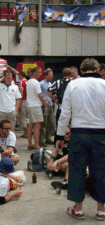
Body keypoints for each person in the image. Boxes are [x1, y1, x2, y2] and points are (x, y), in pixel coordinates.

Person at [56, 58, 105, 221]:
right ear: (97, 69)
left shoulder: (73, 85)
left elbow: (65, 113)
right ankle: (101, 210)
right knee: (101, 171)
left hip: (79, 133)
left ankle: (78, 209)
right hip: (101, 134)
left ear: (81, 70)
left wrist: (60, 135)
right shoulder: (104, 85)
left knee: (77, 170)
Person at [47, 68, 72, 145]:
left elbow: (48, 90)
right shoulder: (74, 82)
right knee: (71, 126)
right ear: (71, 74)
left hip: (61, 107)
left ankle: (57, 141)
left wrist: (54, 99)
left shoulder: (58, 82)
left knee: (59, 125)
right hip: (71, 108)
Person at [26, 67, 49, 150]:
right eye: (39, 72)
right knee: (37, 125)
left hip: (29, 105)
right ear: (34, 73)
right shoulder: (36, 83)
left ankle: (30, 143)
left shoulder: (28, 82)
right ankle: (37, 144)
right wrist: (44, 102)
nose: (40, 73)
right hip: (35, 105)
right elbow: (39, 95)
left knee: (31, 125)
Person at [39, 68, 55, 146]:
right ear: (46, 75)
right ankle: (41, 140)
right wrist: (43, 101)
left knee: (51, 123)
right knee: (43, 123)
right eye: (50, 75)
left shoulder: (50, 84)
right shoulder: (41, 84)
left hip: (51, 104)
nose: (52, 77)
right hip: (44, 105)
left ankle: (48, 138)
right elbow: (39, 94)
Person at [17, 70, 28, 138]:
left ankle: (26, 132)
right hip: (28, 101)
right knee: (27, 117)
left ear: (20, 75)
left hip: (23, 101)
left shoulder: (21, 82)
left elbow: (21, 93)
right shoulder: (28, 82)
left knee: (22, 117)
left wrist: (19, 104)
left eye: (18, 75)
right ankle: (28, 131)